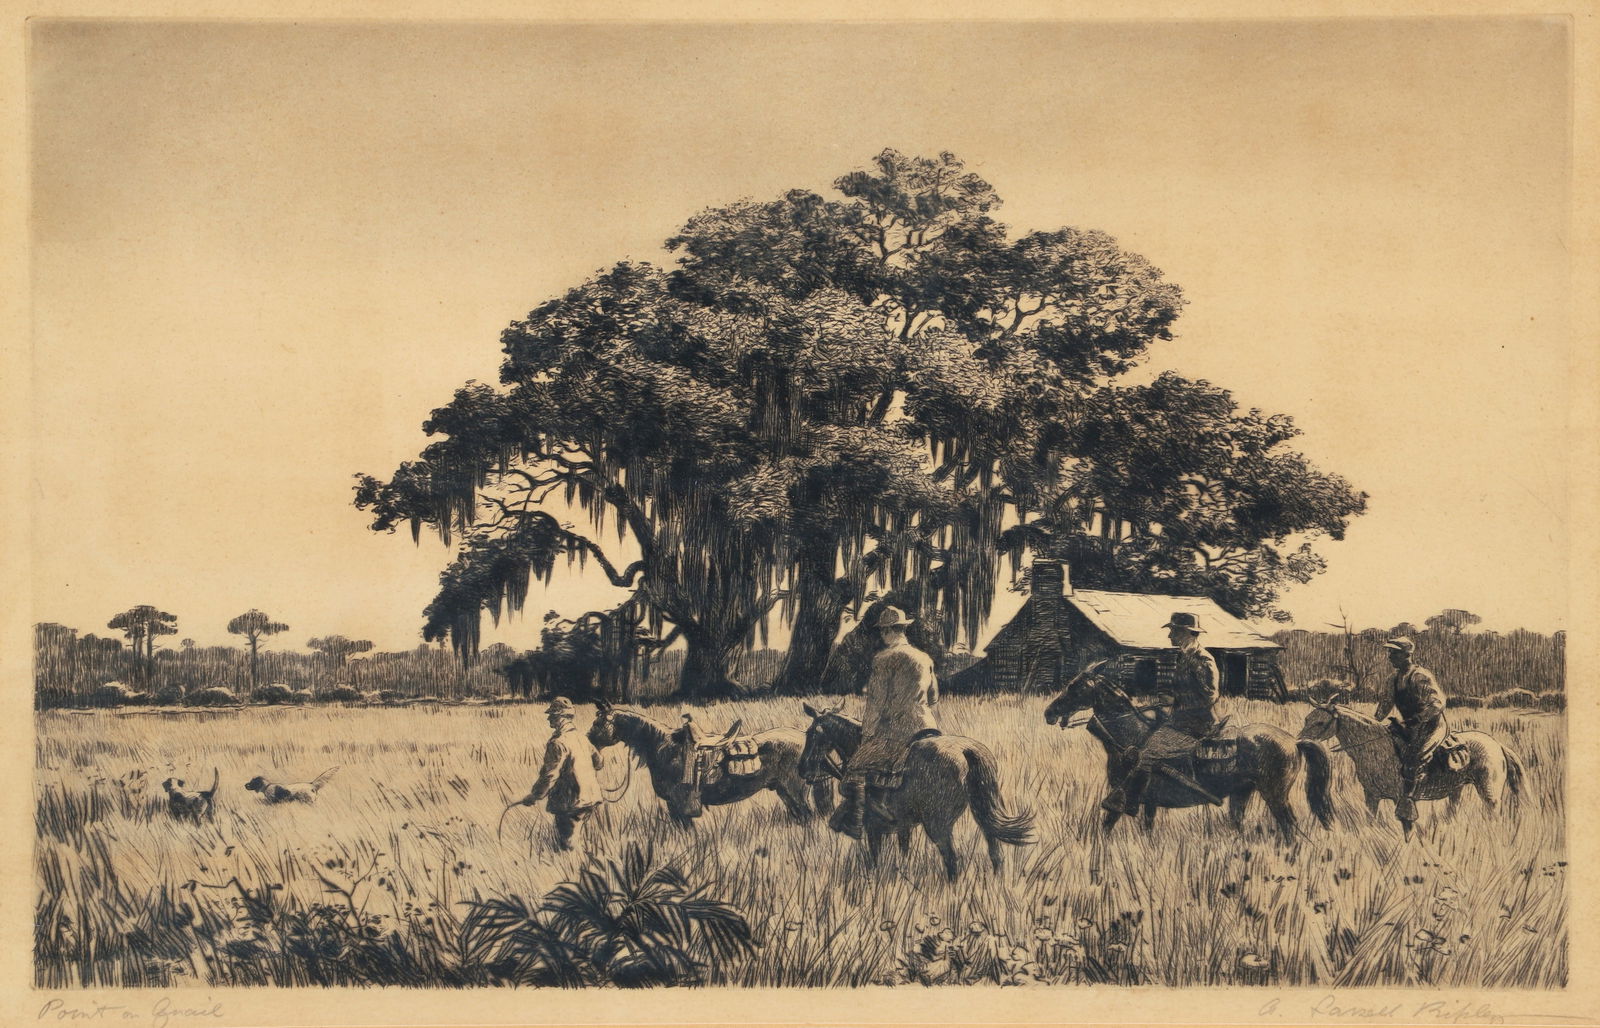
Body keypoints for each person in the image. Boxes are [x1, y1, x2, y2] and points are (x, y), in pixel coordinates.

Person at [829, 605, 939, 840]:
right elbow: (933, 698)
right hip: (928, 729)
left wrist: (868, 736)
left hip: (896, 733)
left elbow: (876, 703)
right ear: (903, 629)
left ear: (889, 630)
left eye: (882, 631)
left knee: (853, 772)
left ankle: (857, 823)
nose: (882, 635)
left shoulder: (883, 659)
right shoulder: (925, 658)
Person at [1101, 611, 1220, 815]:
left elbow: (1210, 696)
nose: (1169, 636)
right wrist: (1166, 702)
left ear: (1187, 633)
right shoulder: (1184, 657)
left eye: (1173, 631)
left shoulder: (1202, 659)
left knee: (1146, 754)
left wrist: (1177, 703)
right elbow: (1183, 690)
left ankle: (1129, 802)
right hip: (1181, 720)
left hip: (1197, 725)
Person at [1373, 636, 1447, 831]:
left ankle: (1408, 803)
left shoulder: (1420, 676)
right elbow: (1385, 705)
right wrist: (1373, 724)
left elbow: (1437, 704)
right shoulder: (1392, 679)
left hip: (1431, 726)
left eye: (1394, 653)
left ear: (1407, 655)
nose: (1390, 657)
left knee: (1415, 758)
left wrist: (1417, 719)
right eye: (1390, 653)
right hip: (1408, 727)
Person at [518, 696, 604, 851]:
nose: (549, 718)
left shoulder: (558, 743)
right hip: (590, 799)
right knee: (576, 838)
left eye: (553, 715)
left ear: (562, 718)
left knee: (568, 846)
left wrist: (534, 796)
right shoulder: (581, 738)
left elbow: (550, 775)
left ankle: (575, 869)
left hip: (571, 803)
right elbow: (599, 763)